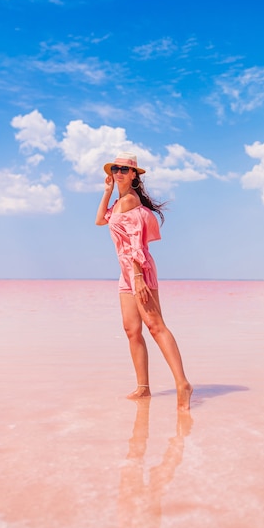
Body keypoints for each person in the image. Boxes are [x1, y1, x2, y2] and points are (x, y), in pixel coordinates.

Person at [95, 152, 193, 411]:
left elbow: (135, 241)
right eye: (116, 168)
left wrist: (138, 276)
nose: (119, 173)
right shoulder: (118, 201)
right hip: (126, 272)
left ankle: (182, 384)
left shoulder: (129, 200)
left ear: (134, 175)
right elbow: (98, 220)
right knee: (131, 330)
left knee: (155, 326)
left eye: (125, 170)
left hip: (139, 269)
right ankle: (143, 387)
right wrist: (106, 192)